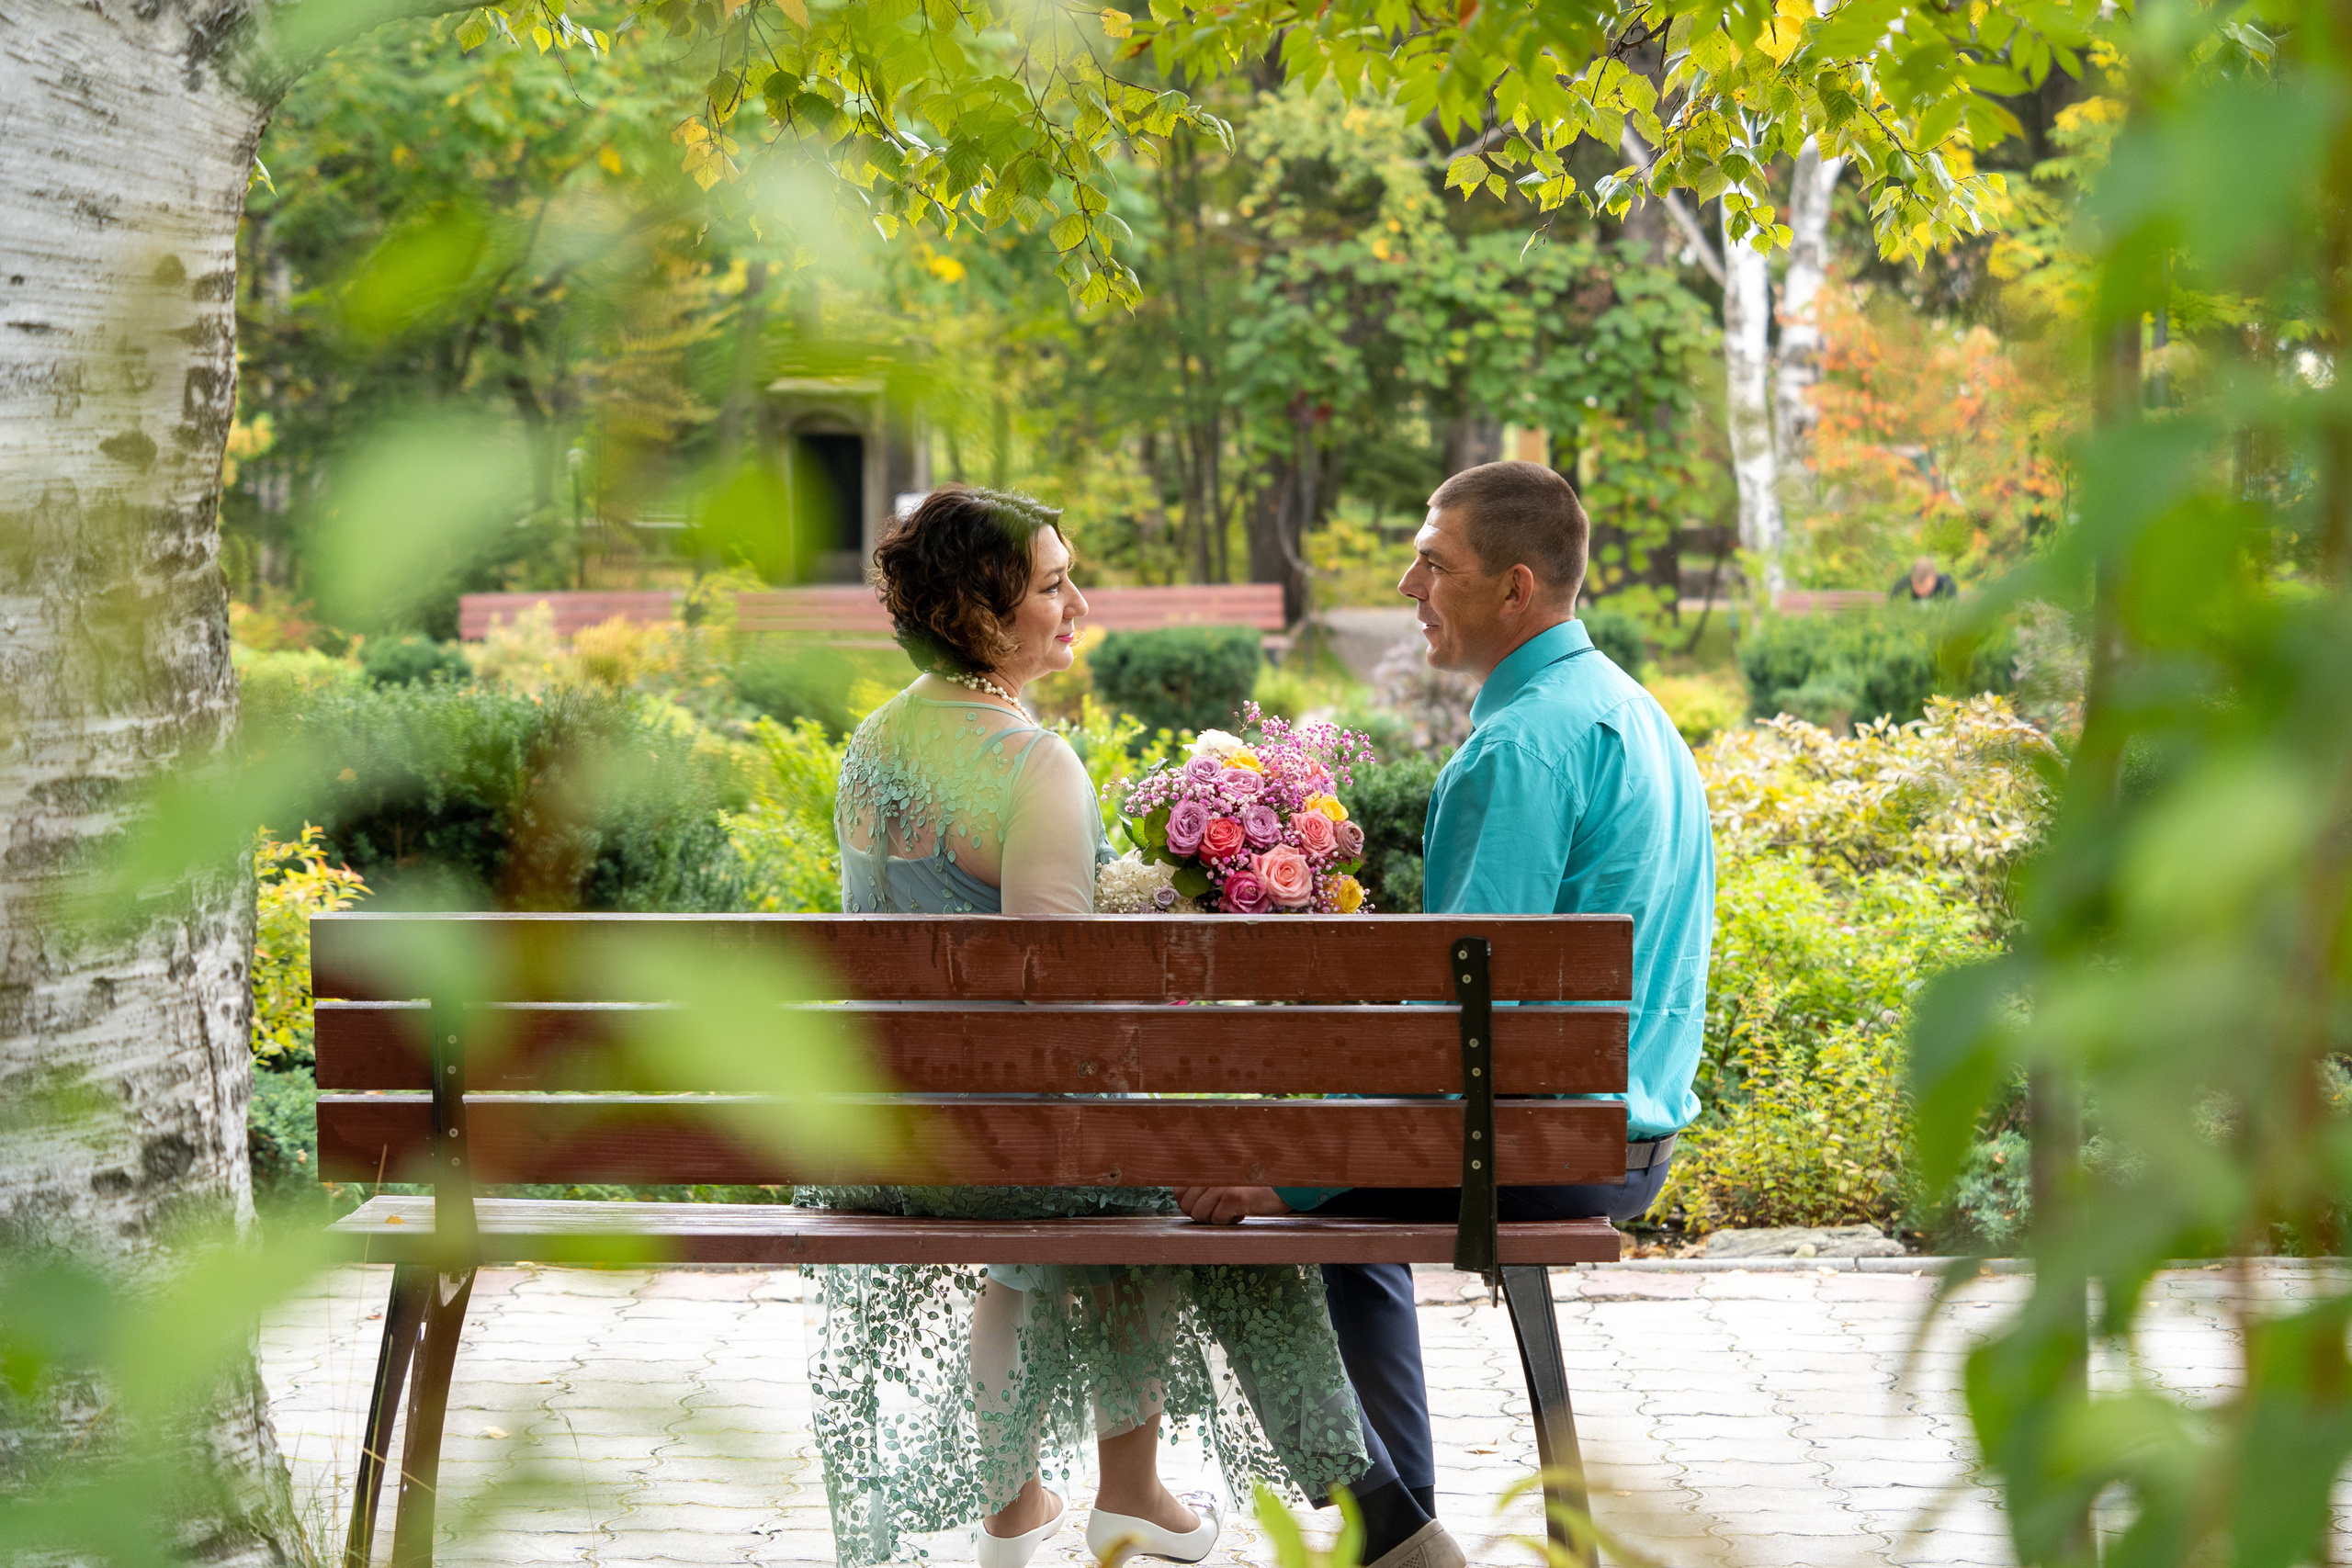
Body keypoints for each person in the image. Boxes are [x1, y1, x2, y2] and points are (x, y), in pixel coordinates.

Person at [800, 485, 1368, 1568]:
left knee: (1085, 1180)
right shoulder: (1032, 763)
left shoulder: (872, 745)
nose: (1080, 605)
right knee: (1144, 1165)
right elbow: (1056, 1006)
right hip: (1008, 1140)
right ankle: (1132, 1492)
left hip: (887, 1132)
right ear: (978, 611)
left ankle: (1018, 1508)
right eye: (1053, 586)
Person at [1176, 460, 1715, 1564]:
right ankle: (1400, 1526)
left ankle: (1390, 1532)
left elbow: (1455, 1035)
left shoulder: (1516, 749)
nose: (1409, 584)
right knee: (1328, 1201)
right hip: (1623, 1129)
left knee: (1232, 1211)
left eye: (1434, 562)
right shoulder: (1633, 712)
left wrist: (1296, 1173)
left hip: (1544, 1142)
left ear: (1515, 588)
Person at [1893, 554, 1958, 602]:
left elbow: (1953, 605)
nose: (1921, 591)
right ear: (1911, 578)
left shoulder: (1946, 585)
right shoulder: (1904, 584)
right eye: (1917, 587)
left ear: (1934, 577)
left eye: (1925, 587)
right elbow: (1892, 601)